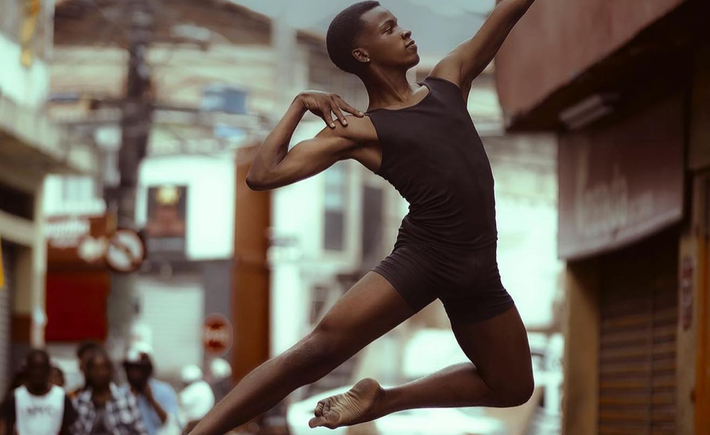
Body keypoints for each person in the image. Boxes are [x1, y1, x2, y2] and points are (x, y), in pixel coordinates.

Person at [190, 1, 537, 433]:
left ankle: (382, 399)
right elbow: (263, 174)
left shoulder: (450, 79)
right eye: (390, 29)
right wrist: (299, 104)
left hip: (479, 269)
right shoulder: (359, 129)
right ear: (362, 54)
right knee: (316, 352)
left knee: (513, 387)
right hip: (425, 258)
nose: (406, 32)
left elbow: (506, 13)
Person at [0, 349, 77, 435]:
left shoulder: (60, 397)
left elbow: (68, 429)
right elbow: (6, 429)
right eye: (33, 368)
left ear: (48, 369)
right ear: (27, 369)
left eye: (41, 368)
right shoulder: (16, 397)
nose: (37, 373)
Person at [72, 347, 146, 435]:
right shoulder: (79, 402)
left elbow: (140, 431)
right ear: (88, 372)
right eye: (95, 369)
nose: (99, 373)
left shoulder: (127, 399)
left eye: (103, 368)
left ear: (110, 371)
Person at [120, 345, 179, 435]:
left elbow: (171, 423)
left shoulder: (164, 391)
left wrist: (151, 400)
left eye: (138, 369)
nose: (133, 373)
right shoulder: (120, 394)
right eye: (130, 368)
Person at [177, 365, 214, 434]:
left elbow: (180, 401)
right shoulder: (205, 386)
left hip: (191, 426)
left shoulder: (193, 389)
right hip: (204, 423)